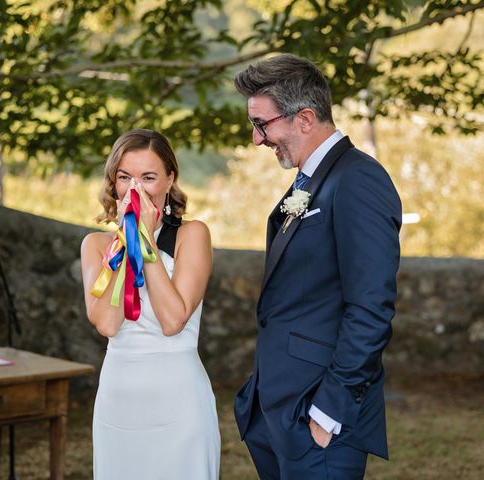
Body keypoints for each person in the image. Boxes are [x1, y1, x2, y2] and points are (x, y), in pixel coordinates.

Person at [232, 54, 402, 479]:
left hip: (318, 416)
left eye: (262, 124)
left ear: (304, 119)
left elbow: (370, 307)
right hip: (280, 411)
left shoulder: (358, 180)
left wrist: (328, 412)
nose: (257, 140)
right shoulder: (311, 180)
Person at [80, 129, 220, 479]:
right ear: (113, 182)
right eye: (125, 177)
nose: (135, 188)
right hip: (118, 398)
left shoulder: (193, 235)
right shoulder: (96, 245)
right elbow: (109, 324)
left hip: (178, 397)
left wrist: (146, 243)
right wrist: (126, 244)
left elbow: (173, 321)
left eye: (148, 177)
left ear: (170, 180)